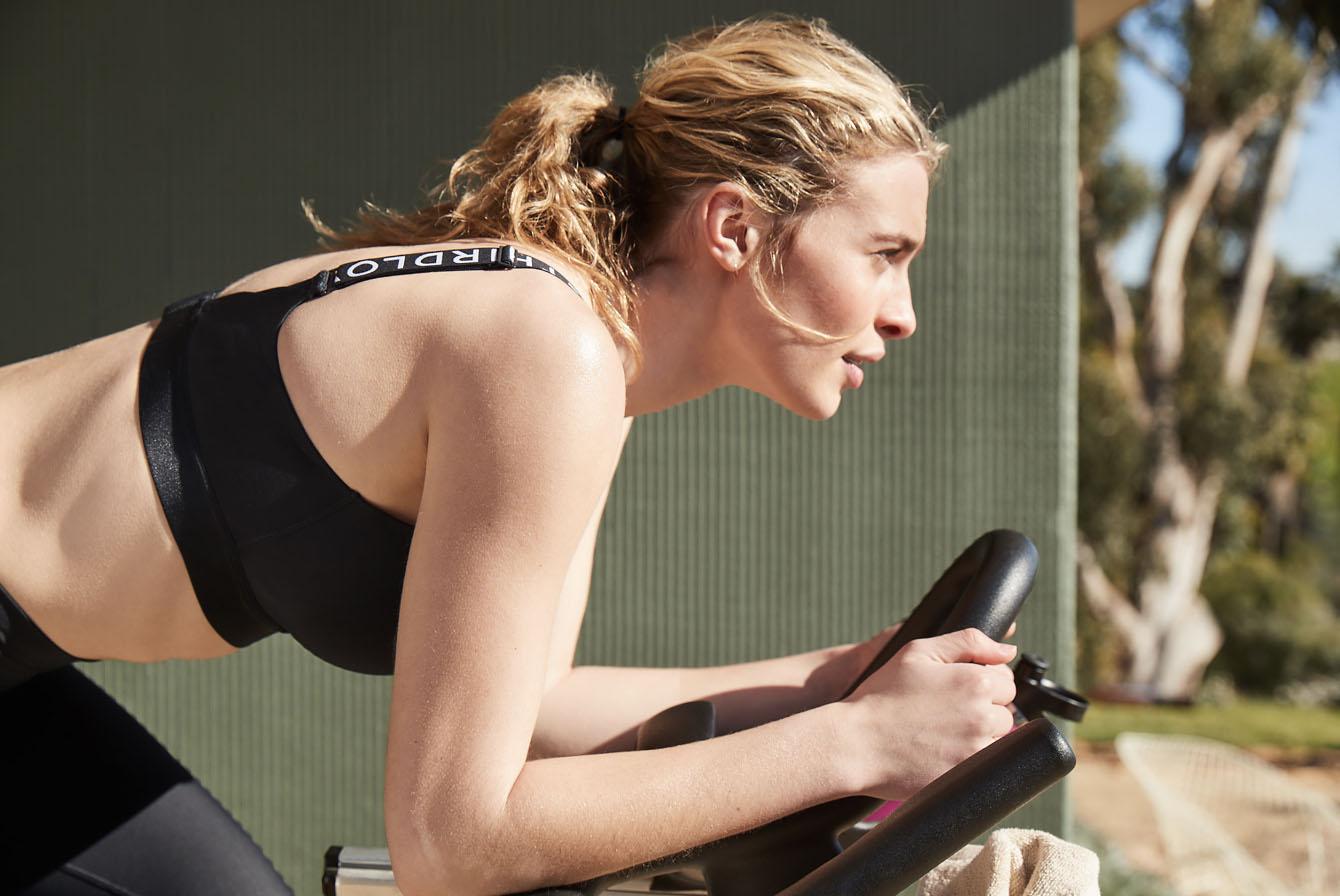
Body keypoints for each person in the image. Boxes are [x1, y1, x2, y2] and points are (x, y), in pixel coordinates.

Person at [0, 15, 1020, 896]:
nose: (903, 316)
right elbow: (454, 837)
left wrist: (832, 682)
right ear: (733, 227)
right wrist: (855, 742)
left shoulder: (584, 367)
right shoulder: (543, 347)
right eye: (885, 254)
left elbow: (531, 709)